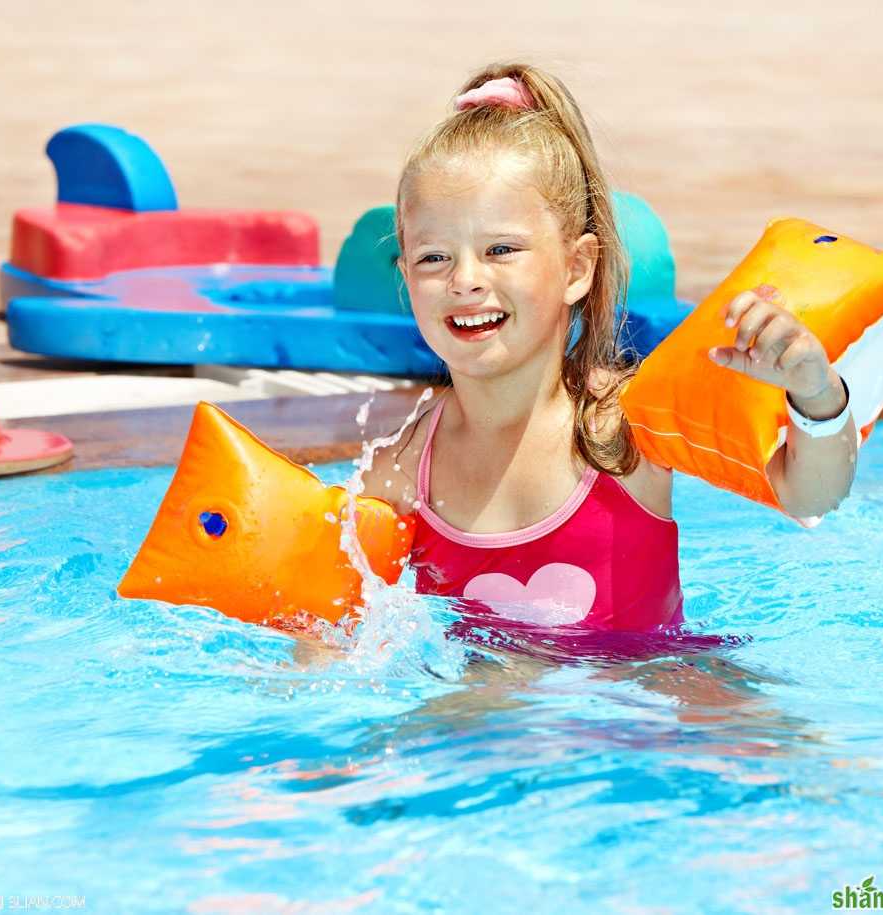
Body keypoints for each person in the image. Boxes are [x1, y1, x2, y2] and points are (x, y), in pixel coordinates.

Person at [361, 62, 857, 632]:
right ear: (405, 274)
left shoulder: (623, 425)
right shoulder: (401, 470)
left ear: (577, 267)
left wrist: (815, 394)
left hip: (647, 698)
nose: (465, 280)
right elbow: (331, 621)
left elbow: (813, 495)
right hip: (488, 717)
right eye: (433, 258)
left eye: (500, 249)